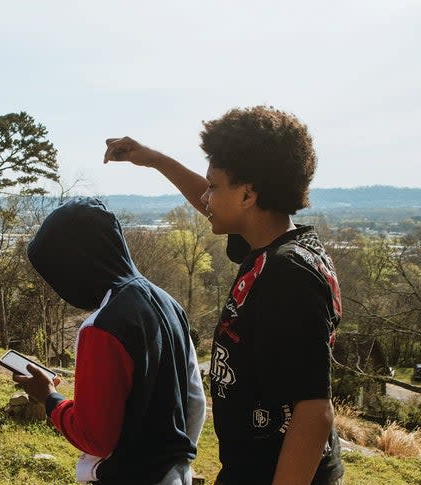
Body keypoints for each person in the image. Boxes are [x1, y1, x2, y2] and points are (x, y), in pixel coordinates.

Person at [103, 106, 344, 485]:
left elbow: (314, 412)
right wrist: (152, 160)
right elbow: (208, 202)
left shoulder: (287, 274)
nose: (207, 196)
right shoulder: (275, 247)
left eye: (214, 185)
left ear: (248, 194)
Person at [14, 197, 206, 485]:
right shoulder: (168, 304)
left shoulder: (103, 326)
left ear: (75, 263)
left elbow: (95, 437)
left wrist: (49, 398)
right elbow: (195, 401)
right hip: (175, 474)